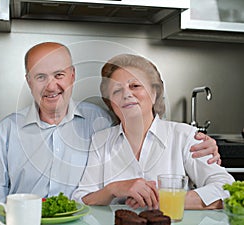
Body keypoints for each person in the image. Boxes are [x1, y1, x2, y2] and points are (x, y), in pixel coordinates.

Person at [0, 42, 221, 205]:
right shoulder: (6, 131)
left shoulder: (98, 121)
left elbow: (144, 120)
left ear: (72, 76)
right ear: (28, 81)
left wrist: (194, 142)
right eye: (40, 77)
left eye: (59, 75)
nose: (50, 86)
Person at [72, 54, 234, 210]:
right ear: (110, 103)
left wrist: (165, 200)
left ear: (155, 93)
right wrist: (114, 189)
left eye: (135, 86)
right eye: (116, 91)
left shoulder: (184, 136)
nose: (127, 94)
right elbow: (81, 199)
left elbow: (227, 188)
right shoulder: (101, 140)